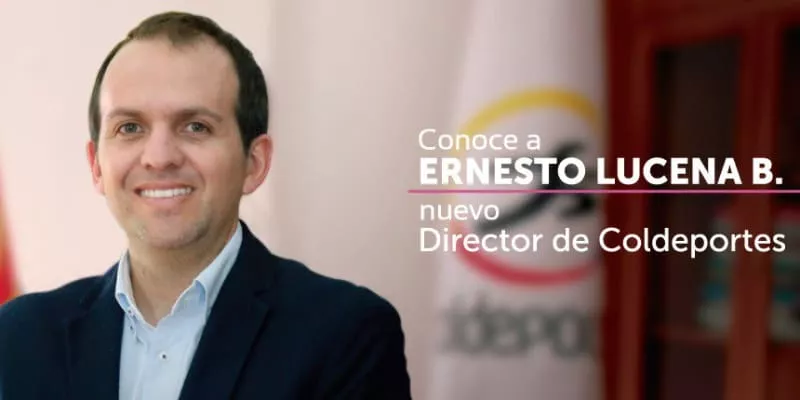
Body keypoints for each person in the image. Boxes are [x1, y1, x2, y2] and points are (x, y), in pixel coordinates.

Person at [0, 11, 411, 400]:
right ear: (96, 166)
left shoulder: (345, 335)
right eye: (130, 127)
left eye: (195, 127)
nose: (159, 157)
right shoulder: (20, 338)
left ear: (254, 163)